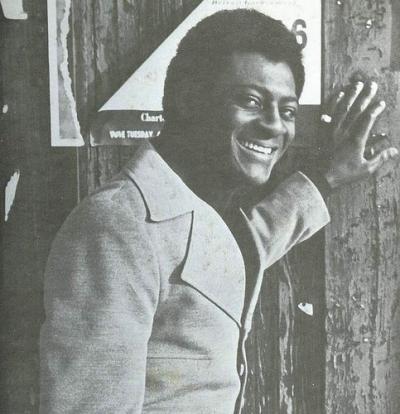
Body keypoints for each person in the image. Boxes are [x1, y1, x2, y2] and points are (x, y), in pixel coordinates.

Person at [40, 9, 398, 414]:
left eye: (288, 111)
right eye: (251, 101)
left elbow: (240, 250)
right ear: (189, 100)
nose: (275, 126)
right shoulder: (115, 227)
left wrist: (328, 177)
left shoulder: (195, 211)